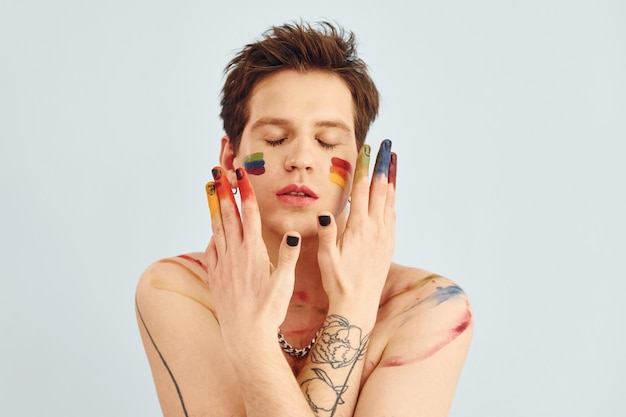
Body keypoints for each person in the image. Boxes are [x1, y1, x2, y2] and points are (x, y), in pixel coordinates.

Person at [135, 21, 473, 417]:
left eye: (328, 141)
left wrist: (355, 306)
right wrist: (253, 341)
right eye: (276, 137)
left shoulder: (427, 308)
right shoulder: (178, 289)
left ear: (359, 166)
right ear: (230, 159)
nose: (301, 159)